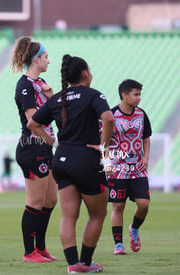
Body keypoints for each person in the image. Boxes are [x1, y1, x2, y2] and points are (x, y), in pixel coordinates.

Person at [28, 54, 114, 273]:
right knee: (97, 214)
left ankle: (73, 264)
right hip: (86, 160)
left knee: (68, 216)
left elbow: (32, 123)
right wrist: (104, 146)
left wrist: (52, 142)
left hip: (62, 160)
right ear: (85, 74)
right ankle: (85, 263)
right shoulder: (94, 95)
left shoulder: (57, 98)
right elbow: (109, 118)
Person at [11, 36, 58, 263]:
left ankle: (40, 248)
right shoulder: (25, 85)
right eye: (46, 57)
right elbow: (32, 122)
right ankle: (29, 253)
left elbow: (54, 115)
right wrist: (50, 140)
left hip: (44, 147)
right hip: (33, 147)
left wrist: (51, 98)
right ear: (37, 59)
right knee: (35, 202)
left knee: (50, 201)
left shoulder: (41, 84)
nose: (49, 61)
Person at [102, 79, 152, 256]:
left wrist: (146, 157)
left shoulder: (141, 114)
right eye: (135, 94)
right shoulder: (111, 115)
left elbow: (146, 138)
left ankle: (135, 228)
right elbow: (104, 143)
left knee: (144, 204)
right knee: (118, 206)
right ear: (124, 95)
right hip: (117, 168)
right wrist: (106, 163)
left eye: (139, 94)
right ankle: (118, 245)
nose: (139, 98)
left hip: (137, 168)